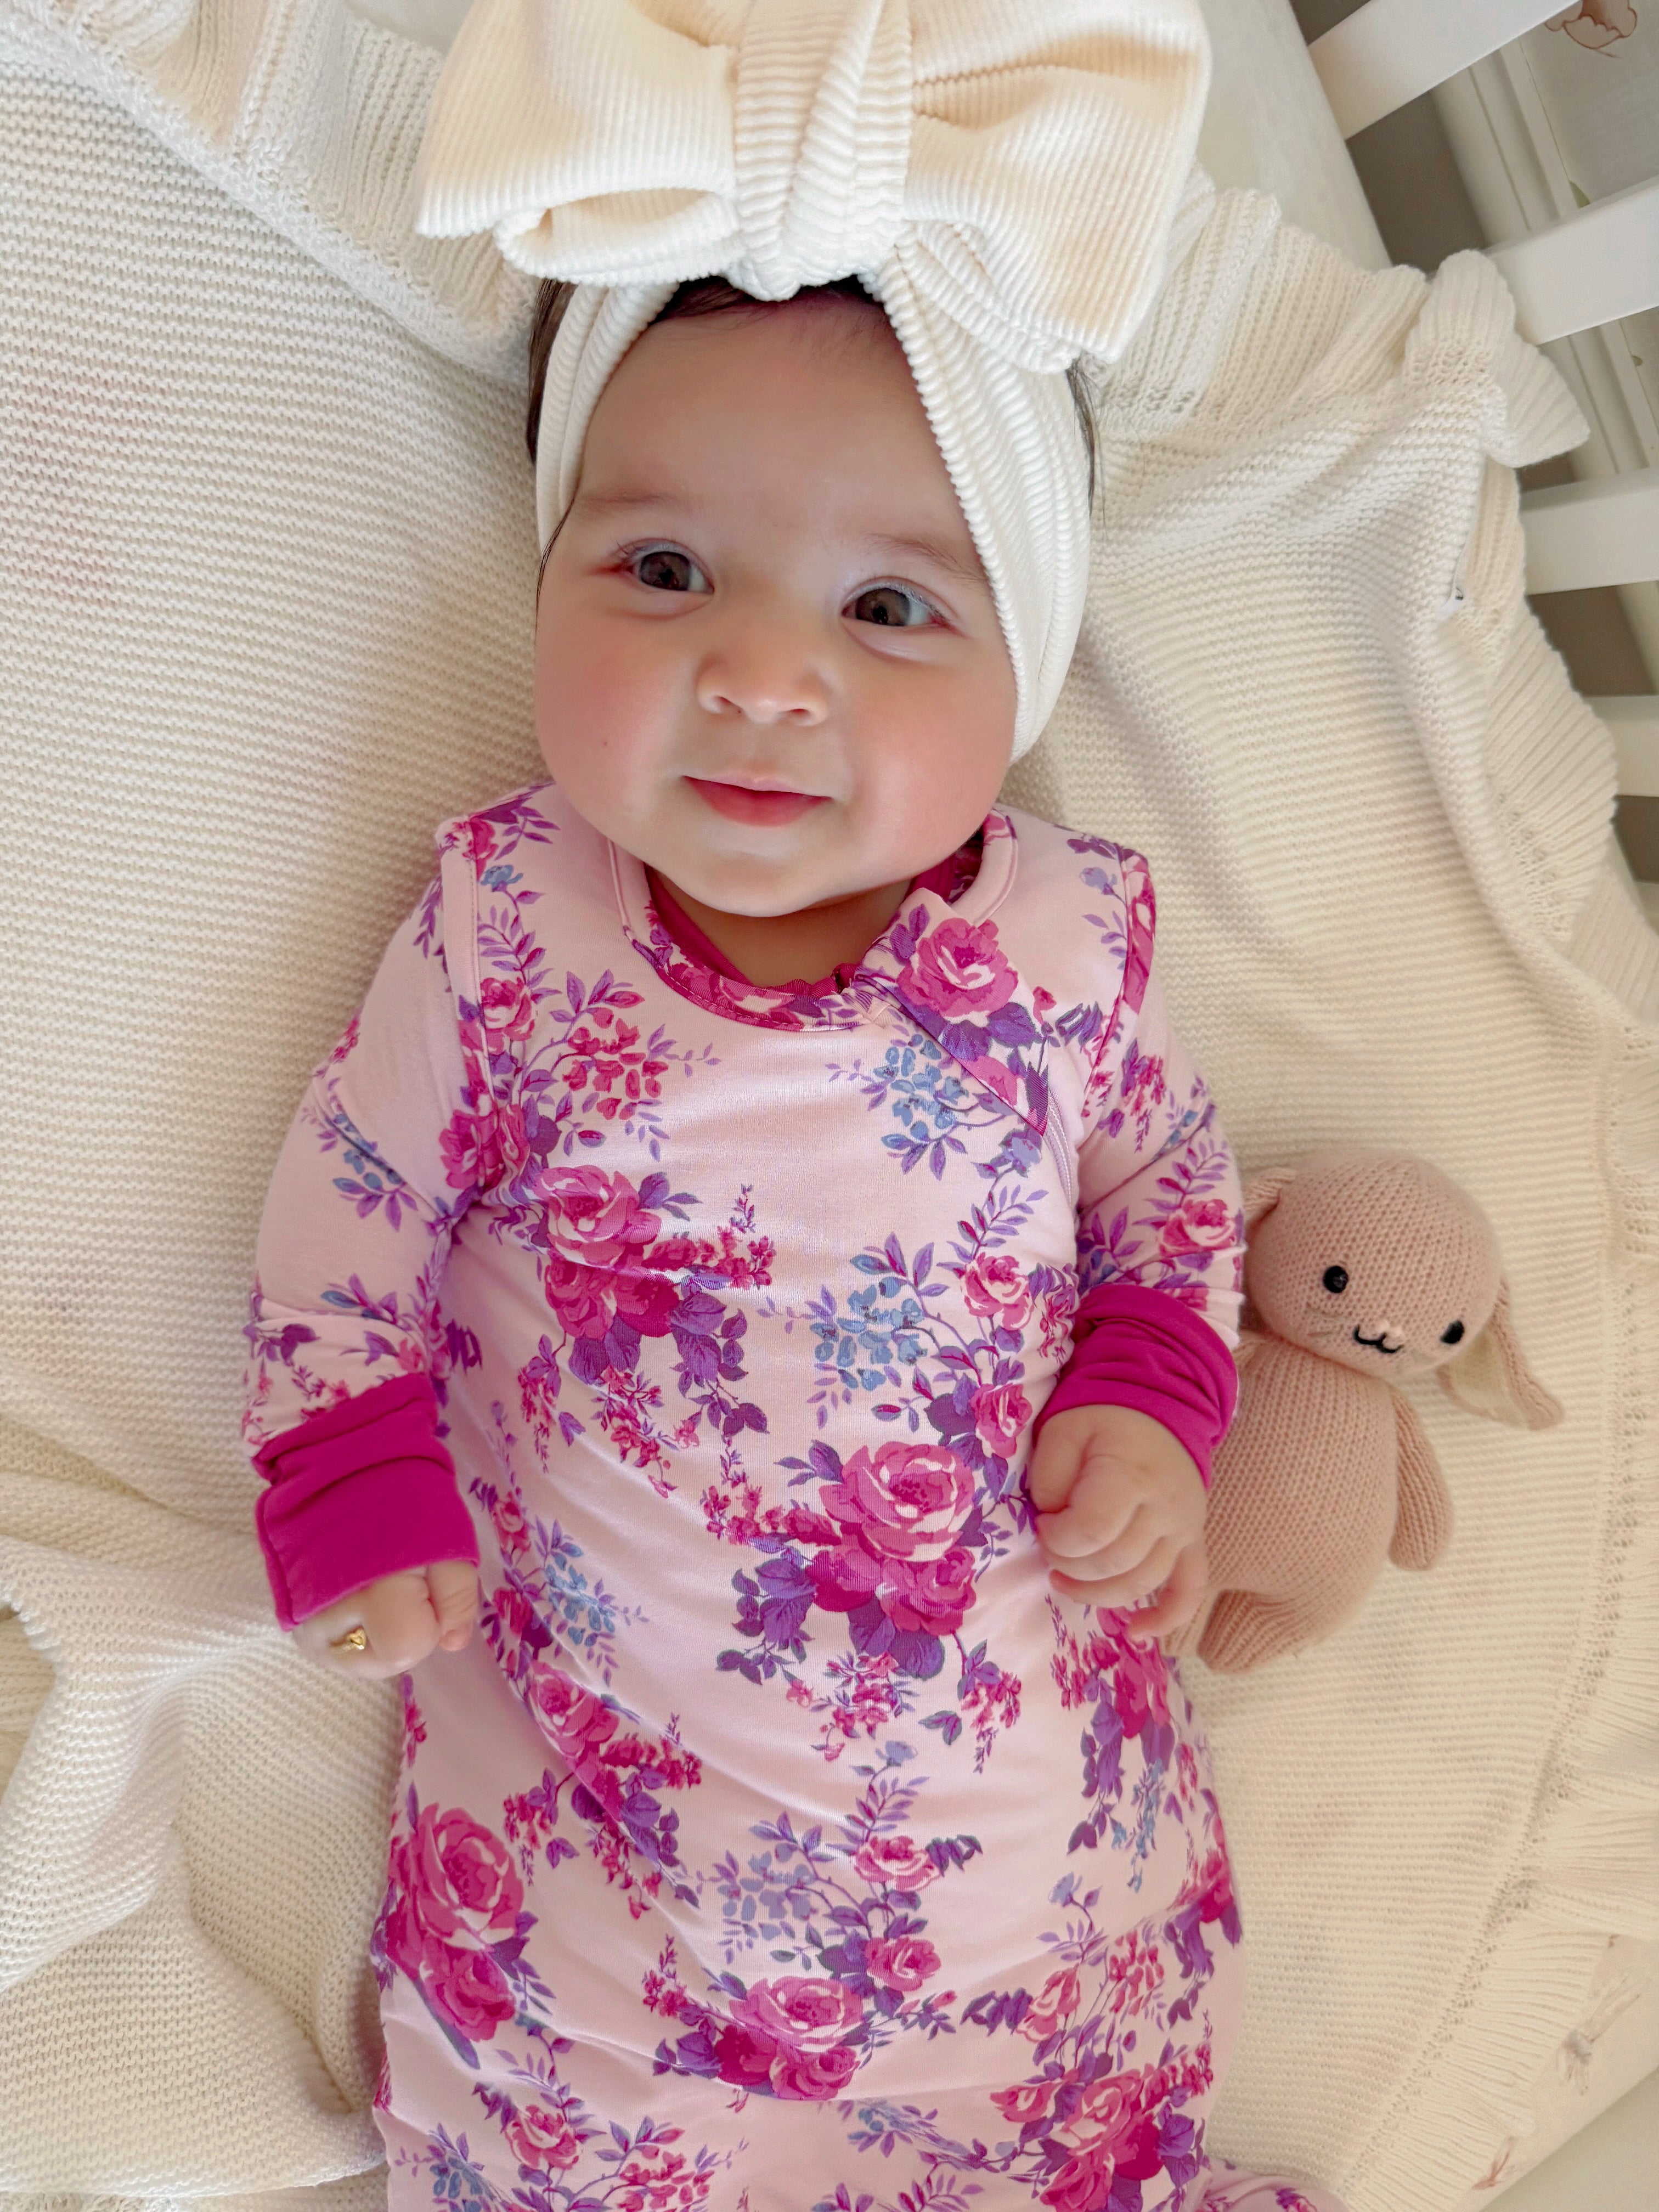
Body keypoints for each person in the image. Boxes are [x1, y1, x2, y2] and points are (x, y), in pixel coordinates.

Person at [243, 5, 1348, 2205]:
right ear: (548, 575)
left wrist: (1152, 1392)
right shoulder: (507, 921)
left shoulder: (1065, 945)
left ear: (1023, 667)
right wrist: (349, 1469)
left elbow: (1170, 1188)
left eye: (888, 606)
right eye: (662, 571)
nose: (762, 671)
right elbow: (346, 1197)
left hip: (1018, 1872)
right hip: (607, 1865)